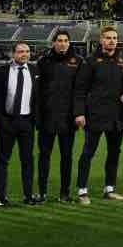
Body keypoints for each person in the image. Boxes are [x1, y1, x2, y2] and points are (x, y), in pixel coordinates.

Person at [74, 26, 123, 204]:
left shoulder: (121, 62)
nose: (111, 40)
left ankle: (109, 189)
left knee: (114, 154)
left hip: (116, 117)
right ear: (101, 40)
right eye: (108, 38)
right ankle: (82, 191)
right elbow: (80, 89)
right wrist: (80, 113)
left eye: (114, 38)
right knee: (88, 153)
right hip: (95, 115)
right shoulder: (90, 62)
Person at [35, 29, 80, 202]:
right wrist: (38, 117)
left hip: (68, 120)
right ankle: (42, 192)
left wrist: (77, 115)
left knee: (66, 158)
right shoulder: (43, 62)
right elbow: (37, 93)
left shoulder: (77, 62)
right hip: (47, 118)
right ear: (53, 43)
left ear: (69, 43)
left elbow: (79, 91)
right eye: (59, 40)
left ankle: (65, 192)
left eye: (65, 40)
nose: (62, 43)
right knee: (44, 157)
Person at [0, 42, 39, 206]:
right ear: (13, 54)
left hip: (27, 121)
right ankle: (1, 197)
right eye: (20, 51)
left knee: (27, 160)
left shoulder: (34, 71)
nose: (24, 54)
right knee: (3, 160)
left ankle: (28, 195)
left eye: (27, 51)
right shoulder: (2, 72)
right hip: (7, 121)